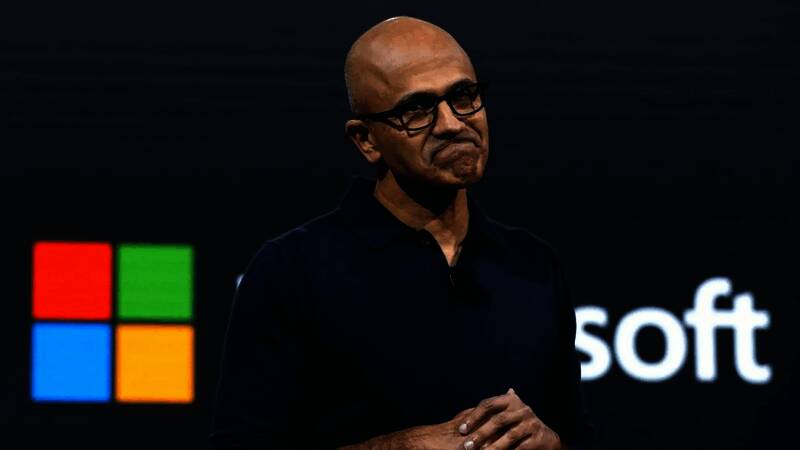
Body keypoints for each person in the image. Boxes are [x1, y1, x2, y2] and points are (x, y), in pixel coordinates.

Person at [210, 16, 594, 450]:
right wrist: (399, 448)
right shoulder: (292, 270)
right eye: (417, 110)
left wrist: (553, 444)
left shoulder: (533, 265)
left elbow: (576, 433)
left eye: (463, 96)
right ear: (366, 140)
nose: (451, 123)